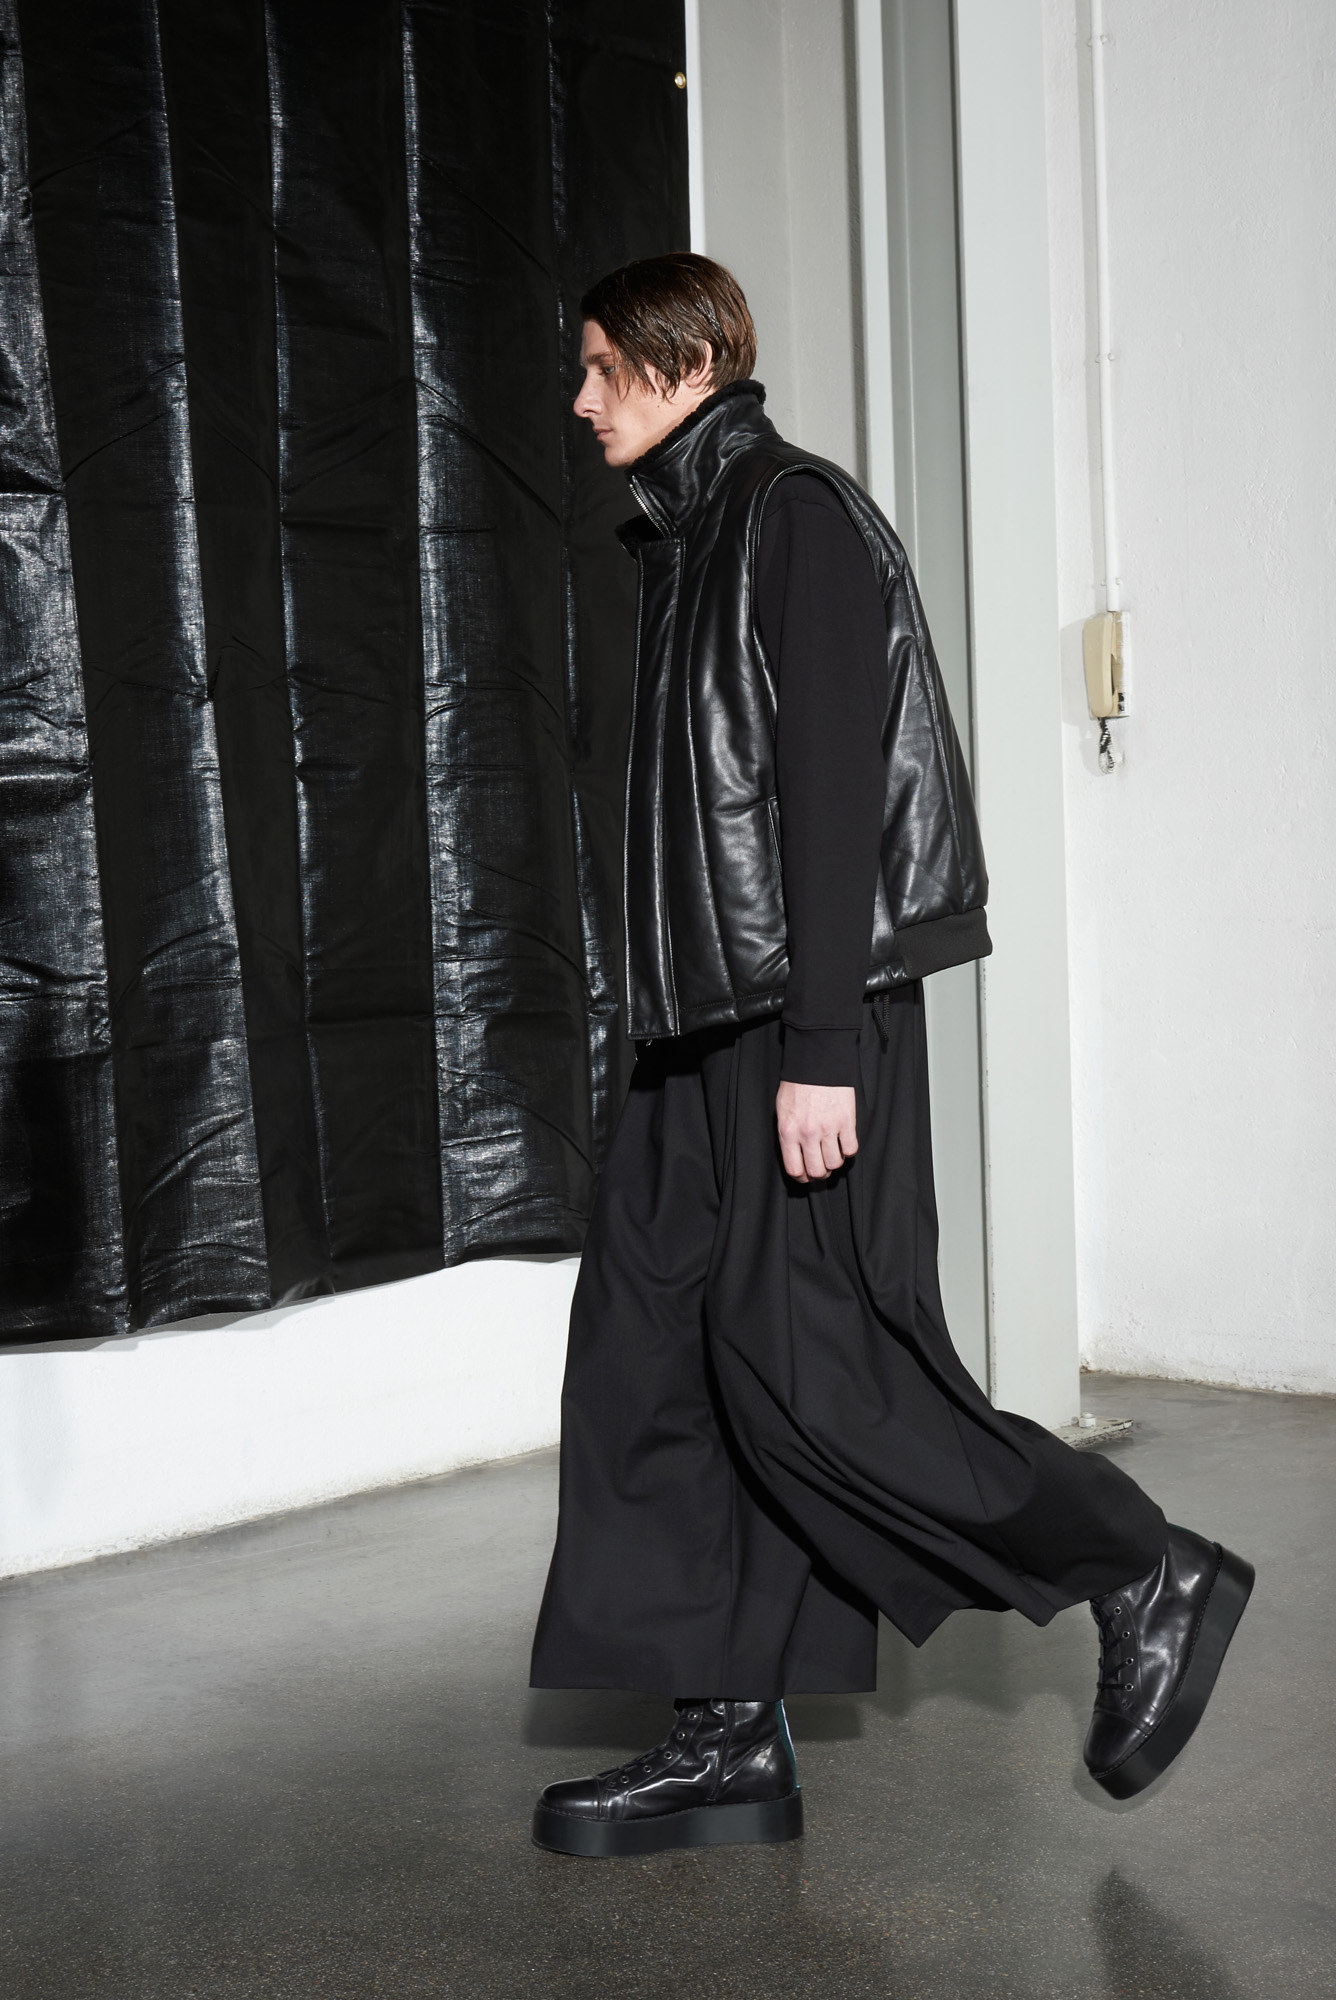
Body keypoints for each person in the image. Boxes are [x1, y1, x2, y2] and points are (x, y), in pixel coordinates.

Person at [527, 253, 1252, 1860]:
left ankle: (1142, 1569)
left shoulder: (794, 518)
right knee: (651, 1359)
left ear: (690, 364)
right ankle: (728, 1729)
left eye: (601, 368)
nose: (579, 400)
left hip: (798, 1023)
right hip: (691, 1030)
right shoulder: (687, 538)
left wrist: (822, 1049)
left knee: (823, 1380)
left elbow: (835, 800)